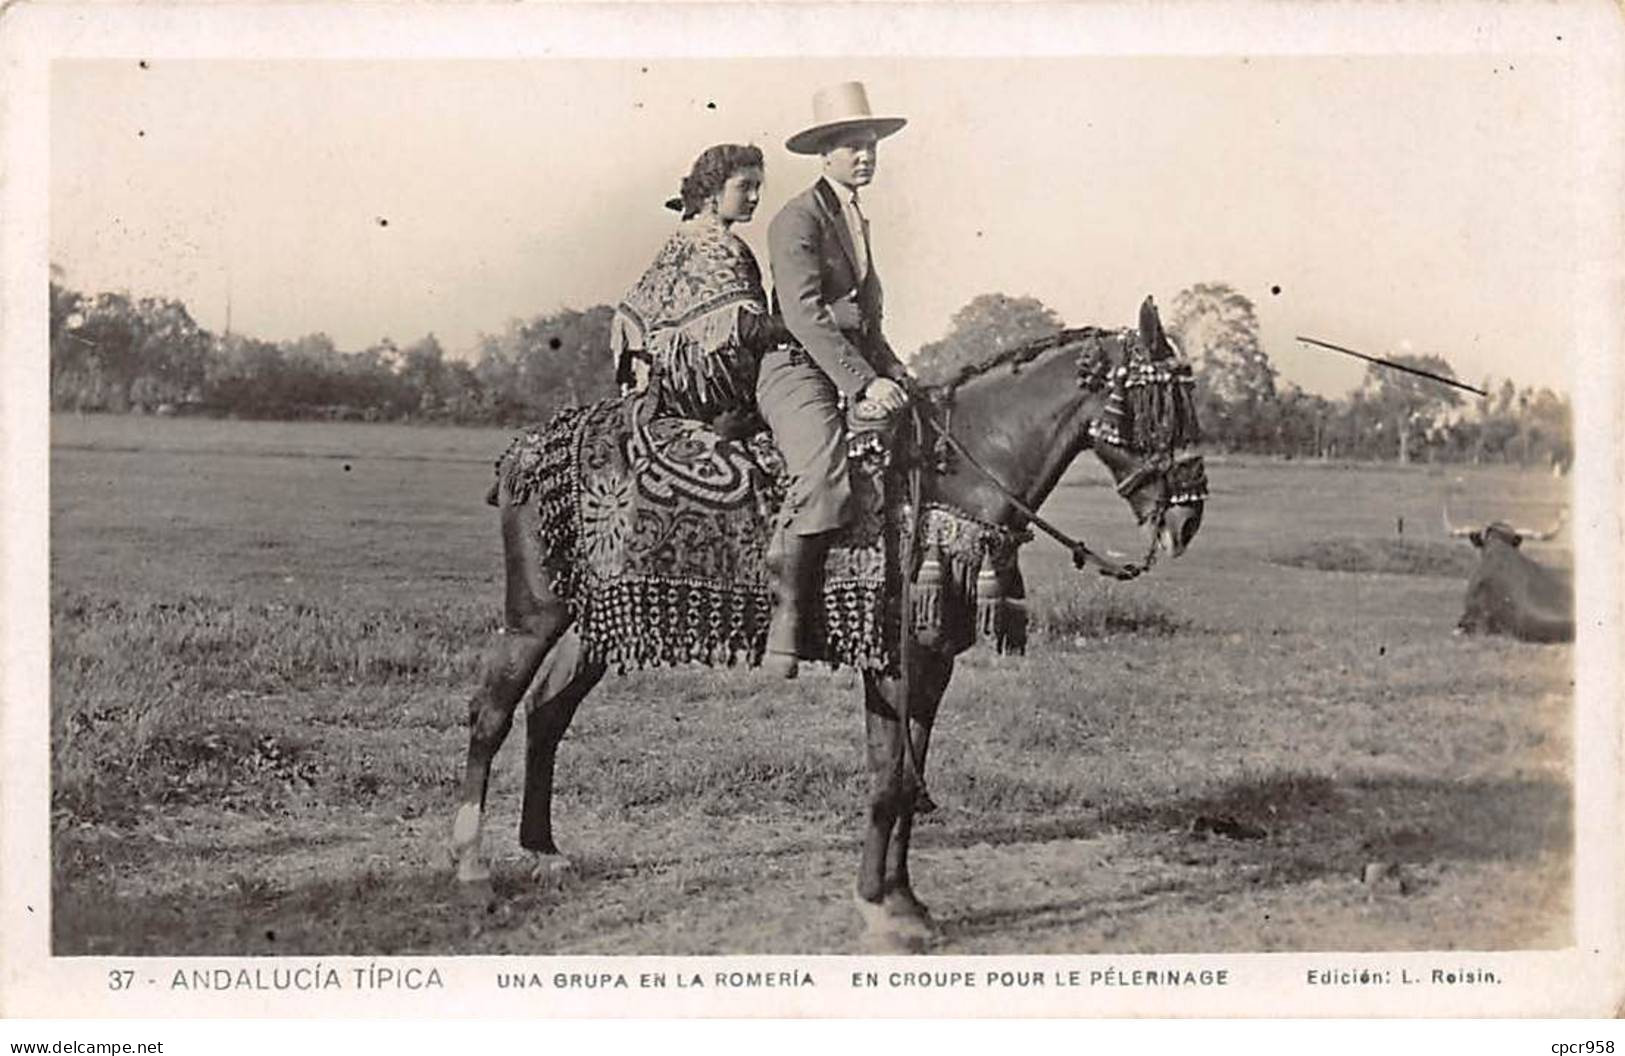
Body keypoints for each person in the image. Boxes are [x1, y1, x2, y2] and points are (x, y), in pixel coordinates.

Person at [758, 82, 916, 678]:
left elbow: (866, 319)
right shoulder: (797, 217)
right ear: (824, 154)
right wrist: (862, 383)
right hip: (794, 365)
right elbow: (803, 314)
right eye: (852, 145)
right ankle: (788, 622)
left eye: (871, 144)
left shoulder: (854, 218)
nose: (865, 155)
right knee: (822, 476)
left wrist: (893, 368)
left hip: (849, 366)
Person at [609, 143, 774, 435]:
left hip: (656, 389)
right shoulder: (715, 244)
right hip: (692, 396)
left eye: (758, 187)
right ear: (712, 192)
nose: (754, 197)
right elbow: (744, 326)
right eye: (744, 186)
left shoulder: (684, 236)